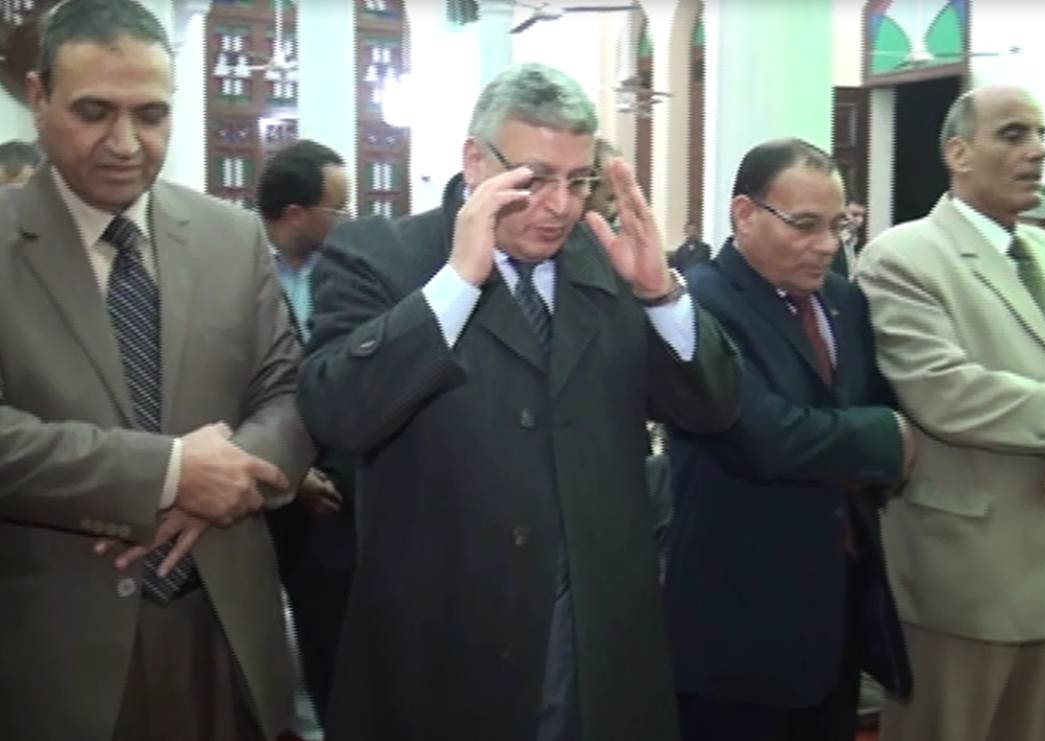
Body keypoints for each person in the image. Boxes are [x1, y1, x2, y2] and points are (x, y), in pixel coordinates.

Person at [297, 62, 742, 741]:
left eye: (579, 180)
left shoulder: (608, 260)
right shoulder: (382, 256)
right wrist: (456, 284)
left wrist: (661, 295)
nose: (560, 206)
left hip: (596, 638)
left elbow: (712, 408)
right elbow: (337, 412)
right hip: (443, 642)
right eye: (535, 179)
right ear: (475, 161)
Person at [0, 1, 315, 739]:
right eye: (94, 111)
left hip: (228, 633)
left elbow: (290, 392)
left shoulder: (231, 237)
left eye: (150, 114)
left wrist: (226, 480)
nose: (124, 143)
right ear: (39, 97)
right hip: (57, 656)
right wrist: (168, 474)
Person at [665, 138, 913, 741]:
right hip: (737, 626)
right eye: (805, 225)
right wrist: (887, 438)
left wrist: (875, 431)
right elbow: (763, 436)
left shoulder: (843, 300)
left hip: (835, 616)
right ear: (744, 214)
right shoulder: (698, 303)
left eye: (838, 226)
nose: (827, 245)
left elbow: (873, 400)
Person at [857, 84, 1045, 741]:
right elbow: (948, 392)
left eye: (1041, 134)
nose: (1038, 150)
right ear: (958, 152)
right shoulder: (905, 256)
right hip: (964, 576)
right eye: (1013, 134)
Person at [258, 139, 357, 733]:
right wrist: (288, 474)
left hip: (331, 490)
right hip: (249, 487)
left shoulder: (347, 272)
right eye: (338, 208)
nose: (349, 219)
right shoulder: (233, 267)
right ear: (296, 214)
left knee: (329, 627)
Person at [831, 197, 866, 279]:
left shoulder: (861, 244)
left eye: (863, 216)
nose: (860, 220)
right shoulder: (831, 241)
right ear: (842, 215)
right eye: (855, 215)